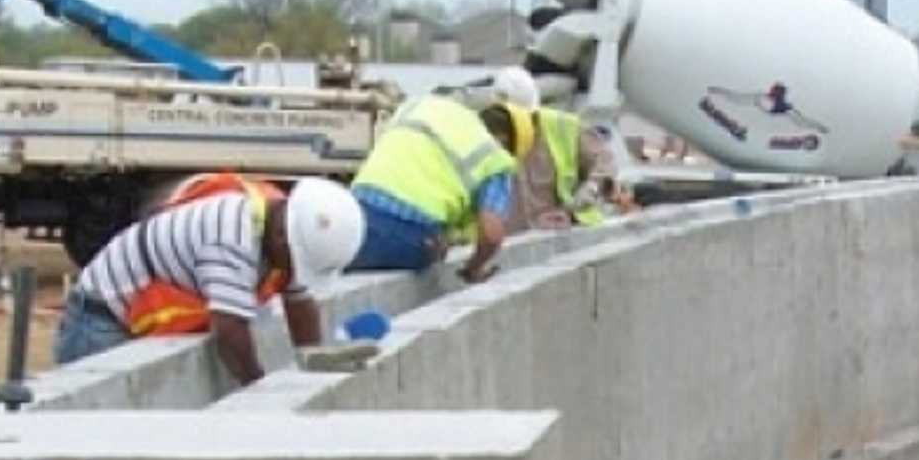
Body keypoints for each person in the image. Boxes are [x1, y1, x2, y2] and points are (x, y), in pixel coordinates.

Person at [54, 175, 364, 385]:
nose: (296, 271)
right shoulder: (233, 238)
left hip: (126, 314)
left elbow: (299, 301)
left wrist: (312, 363)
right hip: (98, 321)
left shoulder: (278, 226)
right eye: (298, 262)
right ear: (284, 239)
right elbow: (229, 330)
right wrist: (259, 392)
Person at [347, 86, 523, 281]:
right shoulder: (495, 158)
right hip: (407, 232)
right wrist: (473, 267)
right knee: (436, 247)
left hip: (353, 212)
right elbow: (491, 236)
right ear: (508, 144)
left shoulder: (424, 106)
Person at [502, 104, 636, 231]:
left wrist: (592, 186)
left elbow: (604, 159)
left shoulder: (561, 126)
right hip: (513, 237)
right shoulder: (493, 136)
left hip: (563, 229)